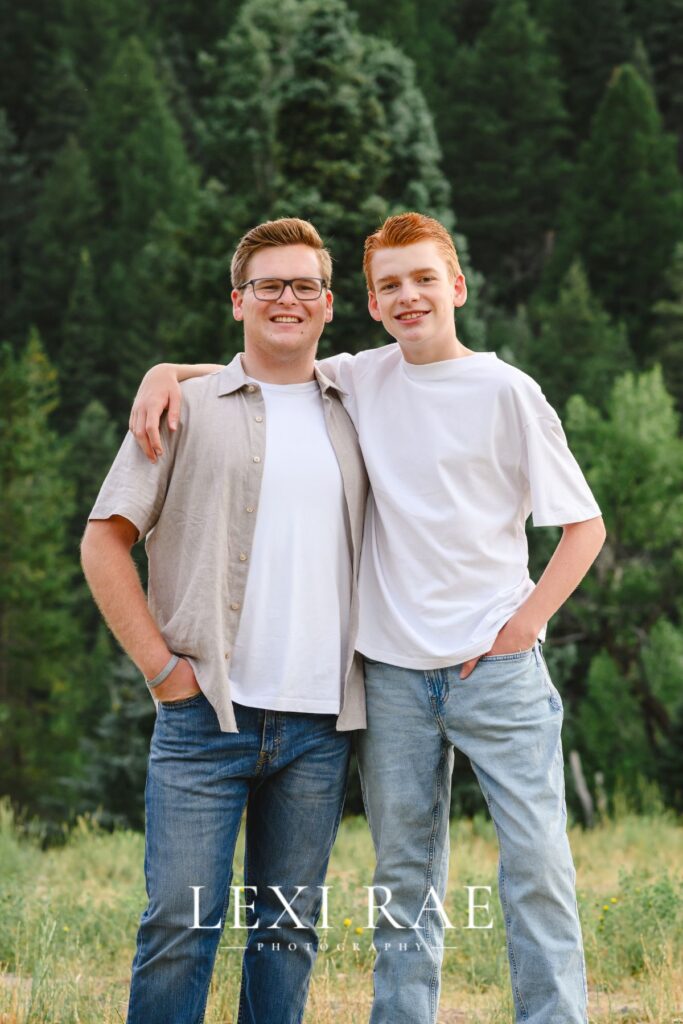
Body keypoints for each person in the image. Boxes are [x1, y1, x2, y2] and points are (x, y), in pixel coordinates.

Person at [130, 212, 606, 1024]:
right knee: (403, 883)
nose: (409, 295)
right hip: (387, 676)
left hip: (494, 669)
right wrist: (163, 372)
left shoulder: (507, 391)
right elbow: (266, 365)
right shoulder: (360, 377)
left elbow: (583, 527)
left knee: (535, 867)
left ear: (455, 286)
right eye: (391, 286)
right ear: (373, 305)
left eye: (424, 278)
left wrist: (521, 627)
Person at [81, 217, 368, 1024]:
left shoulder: (357, 405)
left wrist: (168, 365)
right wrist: (164, 672)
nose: (288, 299)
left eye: (304, 285)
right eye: (268, 285)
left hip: (321, 725)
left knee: (287, 932)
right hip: (203, 715)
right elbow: (103, 545)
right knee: (180, 925)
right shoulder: (186, 410)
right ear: (237, 300)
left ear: (329, 303)